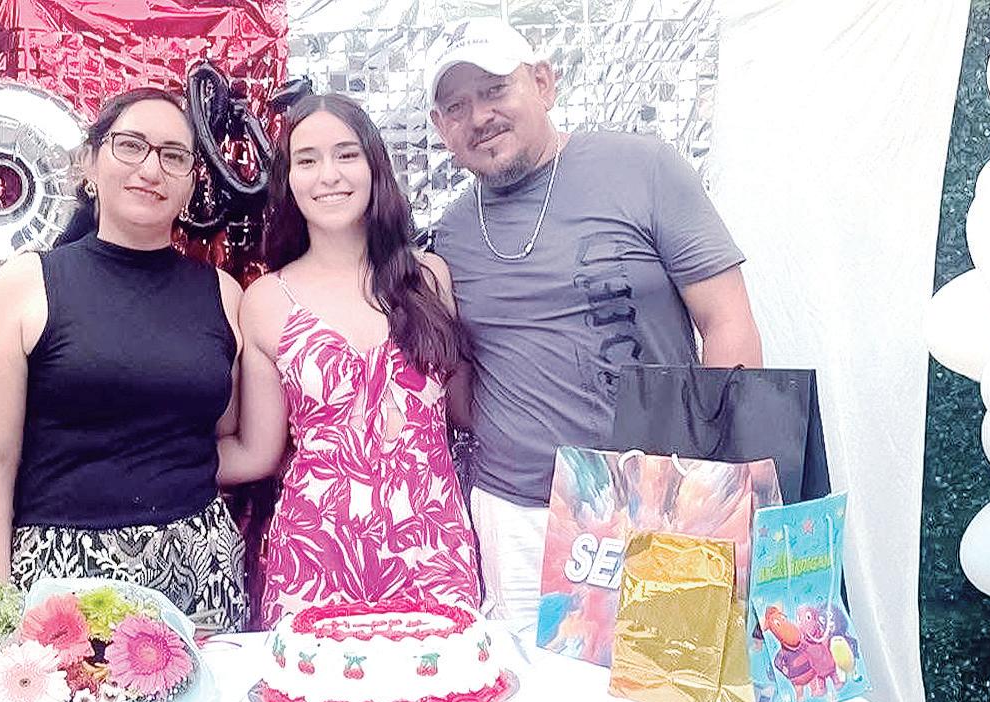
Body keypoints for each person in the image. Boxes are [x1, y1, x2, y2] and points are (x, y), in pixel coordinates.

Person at [426, 17, 763, 629]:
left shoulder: (644, 168)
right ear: (440, 127)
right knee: (531, 688)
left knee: (665, 680)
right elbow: (461, 378)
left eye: (496, 90)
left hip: (660, 503)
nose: (479, 116)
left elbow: (727, 321)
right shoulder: (450, 236)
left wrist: (714, 485)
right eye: (457, 106)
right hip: (520, 513)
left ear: (543, 83)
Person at [0, 87, 275, 631]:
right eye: (131, 145)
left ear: (192, 182)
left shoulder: (224, 295)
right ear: (90, 162)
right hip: (64, 576)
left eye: (173, 155)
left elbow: (218, 438)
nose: (151, 170)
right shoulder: (27, 284)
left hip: (201, 571)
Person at [227, 92, 482, 627]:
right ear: (288, 180)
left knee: (446, 678)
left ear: (374, 166)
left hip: (432, 549)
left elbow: (465, 412)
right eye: (307, 159)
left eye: (346, 154)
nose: (329, 175)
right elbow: (258, 453)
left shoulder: (428, 278)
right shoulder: (267, 299)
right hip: (314, 557)